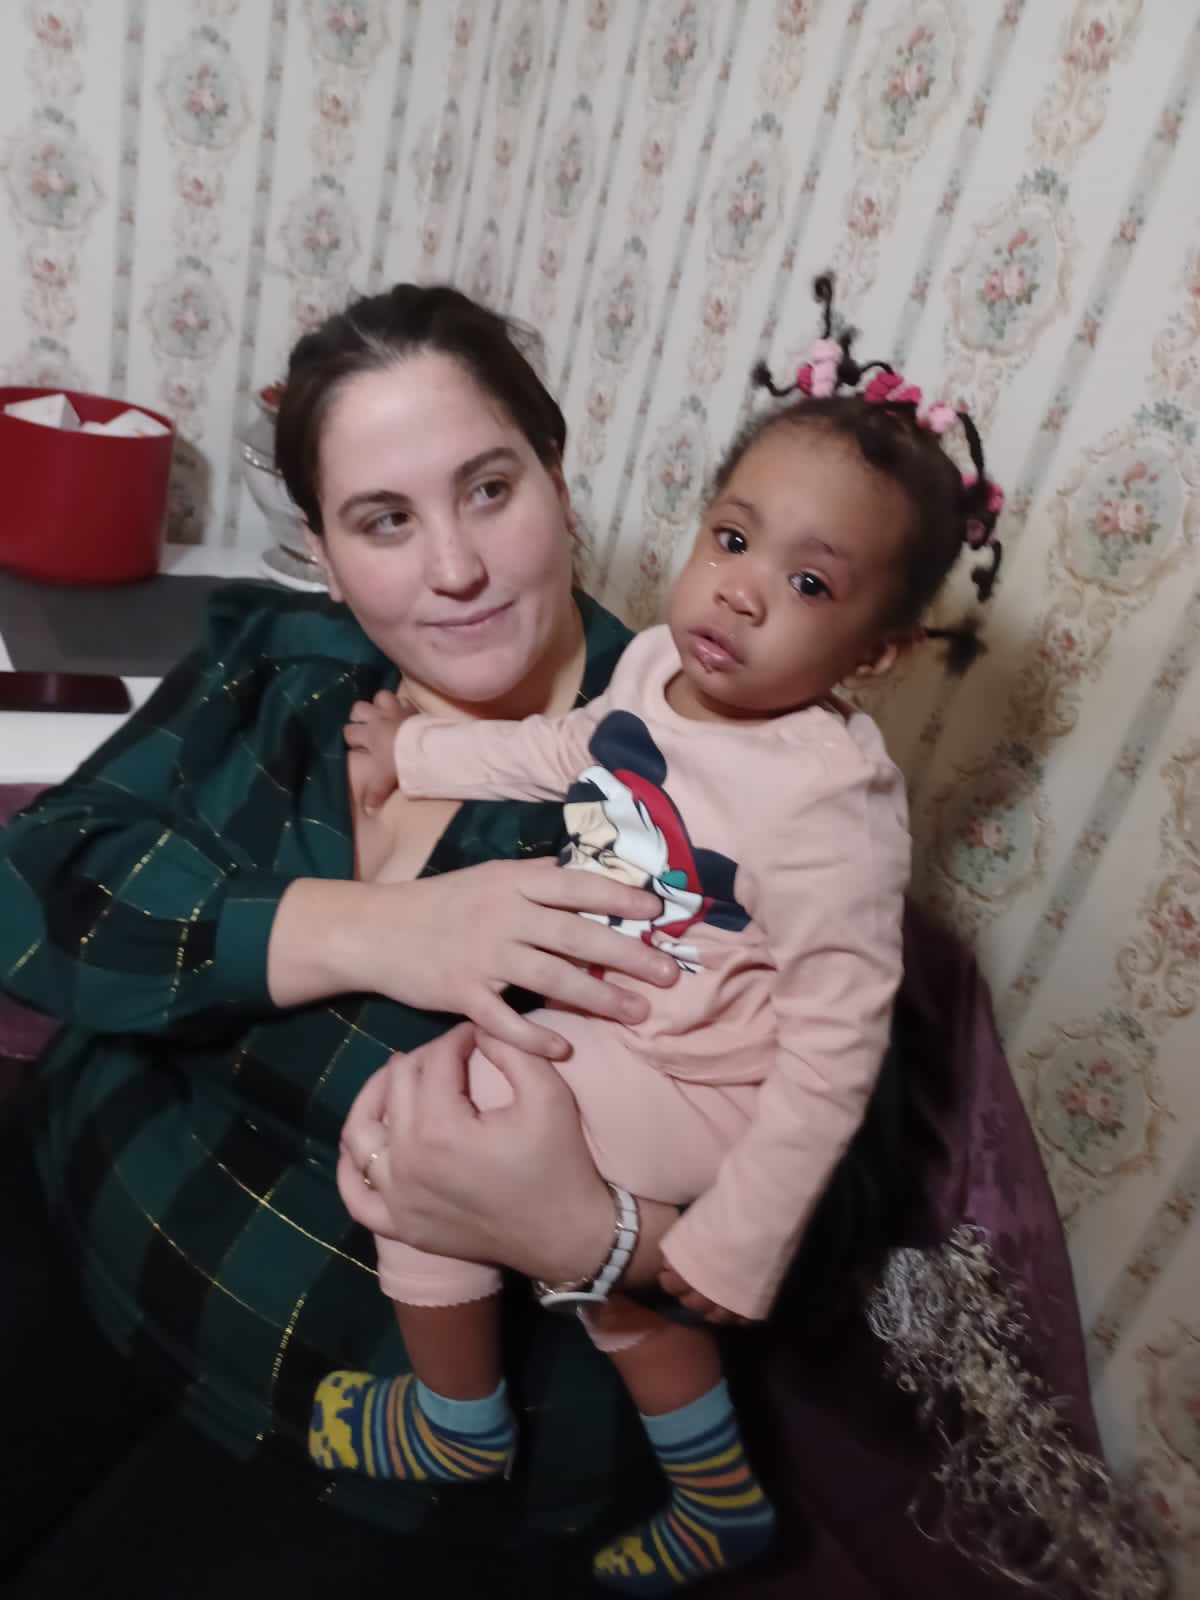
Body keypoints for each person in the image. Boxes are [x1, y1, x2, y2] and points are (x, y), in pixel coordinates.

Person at [309, 276, 1004, 1596]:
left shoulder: (828, 808)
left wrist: (741, 1237)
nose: (740, 593)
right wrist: (424, 757)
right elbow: (569, 750)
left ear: (873, 654)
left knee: (417, 1130)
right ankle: (719, 1495)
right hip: (623, 1028)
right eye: (732, 538)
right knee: (600, 1286)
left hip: (715, 1084)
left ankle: (458, 1424)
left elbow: (836, 1050)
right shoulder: (655, 673)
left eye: (808, 581)